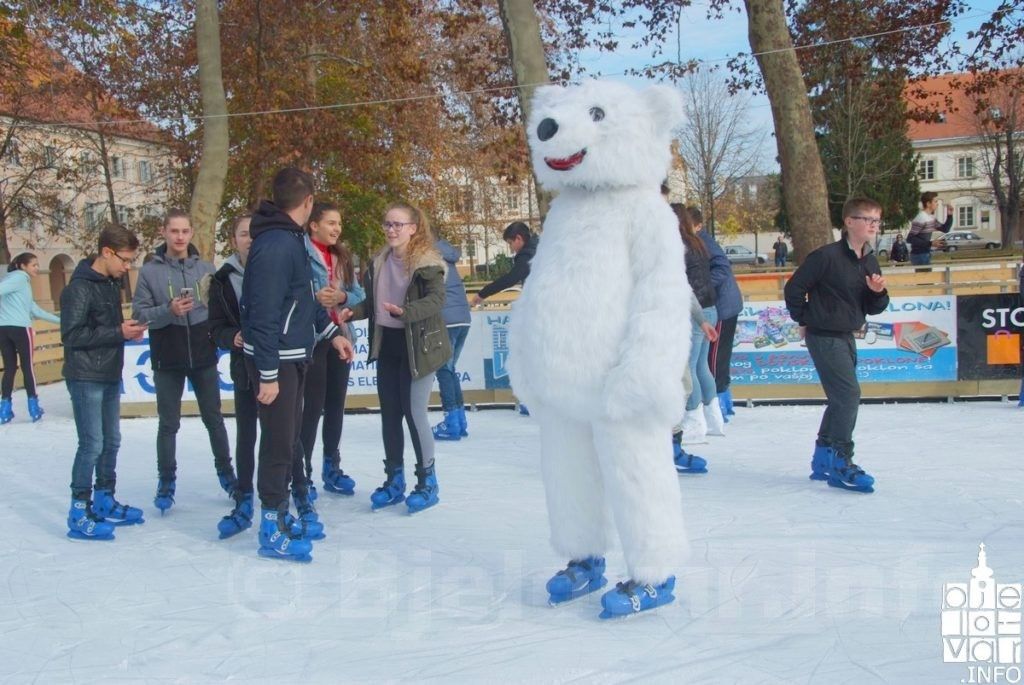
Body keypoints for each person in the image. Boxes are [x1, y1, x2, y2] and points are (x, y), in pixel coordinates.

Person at [242, 167, 353, 562]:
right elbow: (265, 312)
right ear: (307, 203)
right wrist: (269, 373)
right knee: (277, 444)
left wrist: (331, 334)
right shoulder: (276, 243)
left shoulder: (289, 240)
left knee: (289, 441)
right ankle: (270, 526)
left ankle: (281, 514)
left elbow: (302, 301)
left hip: (293, 355)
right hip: (277, 364)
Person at [343, 202, 451, 514]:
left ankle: (427, 481)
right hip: (387, 343)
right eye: (388, 224)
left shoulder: (427, 263)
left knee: (414, 413)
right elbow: (374, 303)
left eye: (398, 225)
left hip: (419, 346)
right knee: (390, 414)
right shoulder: (379, 261)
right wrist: (354, 311)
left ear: (413, 228)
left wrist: (407, 313)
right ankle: (394, 480)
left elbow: (436, 299)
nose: (391, 230)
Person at [783, 196, 889, 494]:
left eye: (877, 220)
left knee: (840, 398)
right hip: (824, 336)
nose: (873, 225)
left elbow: (873, 306)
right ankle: (842, 461)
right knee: (848, 395)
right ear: (849, 222)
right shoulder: (825, 257)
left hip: (846, 334)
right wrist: (806, 318)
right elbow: (794, 288)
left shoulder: (868, 259)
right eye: (867, 219)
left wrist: (878, 293)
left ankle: (823, 458)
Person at [132, 209, 235, 514]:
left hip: (202, 353)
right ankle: (166, 480)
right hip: (168, 354)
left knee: (214, 418)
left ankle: (227, 474)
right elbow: (139, 313)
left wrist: (205, 313)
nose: (179, 237)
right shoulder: (150, 271)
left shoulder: (205, 267)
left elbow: (218, 306)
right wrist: (168, 309)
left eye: (184, 231)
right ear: (163, 232)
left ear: (191, 234)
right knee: (169, 423)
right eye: (174, 231)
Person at [62, 226, 148, 539]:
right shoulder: (79, 288)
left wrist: (124, 328)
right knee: (92, 444)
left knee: (111, 441)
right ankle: (78, 509)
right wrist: (117, 332)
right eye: (125, 260)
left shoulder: (111, 284)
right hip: (85, 377)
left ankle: (104, 499)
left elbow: (105, 327)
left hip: (109, 373)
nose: (128, 267)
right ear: (107, 252)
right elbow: (71, 335)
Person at [301, 201, 365, 497]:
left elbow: (359, 295)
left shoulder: (342, 255)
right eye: (331, 223)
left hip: (341, 334)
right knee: (312, 407)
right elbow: (293, 294)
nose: (337, 229)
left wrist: (342, 296)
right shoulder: (300, 253)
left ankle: (332, 466)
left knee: (336, 405)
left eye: (339, 223)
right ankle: (303, 472)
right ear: (313, 224)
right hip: (312, 340)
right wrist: (315, 296)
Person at [207, 215, 258, 539]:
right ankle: (244, 496)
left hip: (279, 365)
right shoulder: (223, 278)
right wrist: (231, 337)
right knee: (247, 435)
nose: (250, 239)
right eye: (243, 234)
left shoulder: (276, 268)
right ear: (233, 239)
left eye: (255, 233)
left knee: (285, 435)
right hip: (244, 367)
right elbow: (215, 327)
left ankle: (293, 492)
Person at [673, 204, 726, 447]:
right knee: (701, 365)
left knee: (690, 367)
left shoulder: (681, 246)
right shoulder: (698, 243)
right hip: (709, 308)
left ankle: (694, 420)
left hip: (697, 312)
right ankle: (714, 419)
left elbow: (685, 285)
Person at [472, 221, 537, 415]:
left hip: (539, 309)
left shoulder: (527, 255)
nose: (511, 248)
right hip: (544, 306)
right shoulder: (540, 247)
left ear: (519, 239)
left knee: (531, 353)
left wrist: (482, 294)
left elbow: (510, 278)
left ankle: (534, 400)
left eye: (510, 243)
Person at [690, 207, 743, 421]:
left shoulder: (703, 241)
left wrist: (703, 286)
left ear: (698, 226)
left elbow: (722, 267)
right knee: (712, 357)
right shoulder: (699, 241)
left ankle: (718, 403)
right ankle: (722, 400)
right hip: (722, 304)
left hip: (721, 306)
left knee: (713, 358)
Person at [0, 252, 60, 423]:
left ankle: (5, 408)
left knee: (10, 368)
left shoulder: (14, 282)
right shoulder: (20, 278)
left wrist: (61, 321)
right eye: (33, 265)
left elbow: (34, 310)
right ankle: (33, 406)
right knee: (27, 367)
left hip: (3, 329)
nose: (37, 268)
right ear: (22, 266)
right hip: (20, 328)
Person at [432, 237, 472, 441]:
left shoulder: (429, 254)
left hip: (446, 320)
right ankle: (460, 420)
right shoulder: (448, 254)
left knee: (444, 370)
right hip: (463, 318)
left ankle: (451, 422)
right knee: (450, 369)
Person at [907, 192, 952, 267]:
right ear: (928, 204)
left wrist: (950, 215)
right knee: (924, 278)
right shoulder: (921, 218)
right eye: (935, 201)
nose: (937, 204)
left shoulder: (931, 218)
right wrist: (930, 243)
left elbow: (945, 229)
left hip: (925, 253)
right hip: (919, 255)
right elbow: (910, 238)